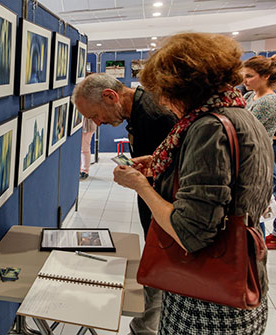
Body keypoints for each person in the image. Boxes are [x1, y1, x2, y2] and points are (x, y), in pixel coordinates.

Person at [113, 32, 271, 334]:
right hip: (239, 282)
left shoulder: (209, 129)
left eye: (164, 93)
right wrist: (165, 168)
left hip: (207, 301)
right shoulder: (240, 115)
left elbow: (190, 231)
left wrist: (141, 186)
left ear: (181, 88)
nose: (163, 102)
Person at [72, 72, 177, 335]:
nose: (98, 122)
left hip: (168, 218)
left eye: (96, 115)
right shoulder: (139, 112)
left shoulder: (156, 117)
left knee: (164, 273)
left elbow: (172, 180)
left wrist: (141, 180)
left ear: (110, 96)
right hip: (156, 212)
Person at [242, 55, 276, 249]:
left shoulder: (269, 102)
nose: (244, 80)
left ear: (265, 76)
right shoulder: (250, 96)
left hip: (258, 159)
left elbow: (246, 131)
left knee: (256, 213)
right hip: (251, 157)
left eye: (249, 76)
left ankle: (256, 252)